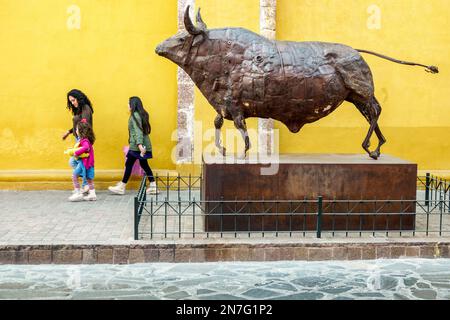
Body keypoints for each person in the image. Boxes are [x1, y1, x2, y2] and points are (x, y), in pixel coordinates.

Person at [109, 97, 158, 195]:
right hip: (140, 145)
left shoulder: (135, 116)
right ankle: (153, 186)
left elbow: (138, 131)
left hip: (137, 147)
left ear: (133, 104)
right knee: (143, 164)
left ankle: (122, 186)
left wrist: (139, 145)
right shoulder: (141, 114)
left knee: (129, 164)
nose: (127, 105)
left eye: (128, 103)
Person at [63, 89, 94, 194]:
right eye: (70, 101)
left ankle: (86, 184)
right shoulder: (79, 109)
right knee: (79, 162)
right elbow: (78, 124)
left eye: (73, 100)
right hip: (79, 139)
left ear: (79, 98)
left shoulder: (86, 108)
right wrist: (69, 132)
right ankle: (86, 184)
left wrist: (82, 141)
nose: (72, 103)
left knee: (75, 161)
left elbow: (83, 125)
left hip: (84, 140)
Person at [67, 119, 97, 201]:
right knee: (89, 179)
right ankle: (92, 194)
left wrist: (76, 153)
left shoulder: (84, 140)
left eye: (76, 129)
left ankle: (78, 193)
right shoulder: (85, 140)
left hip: (84, 163)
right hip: (88, 163)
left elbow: (85, 148)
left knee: (74, 176)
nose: (75, 131)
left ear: (81, 131)